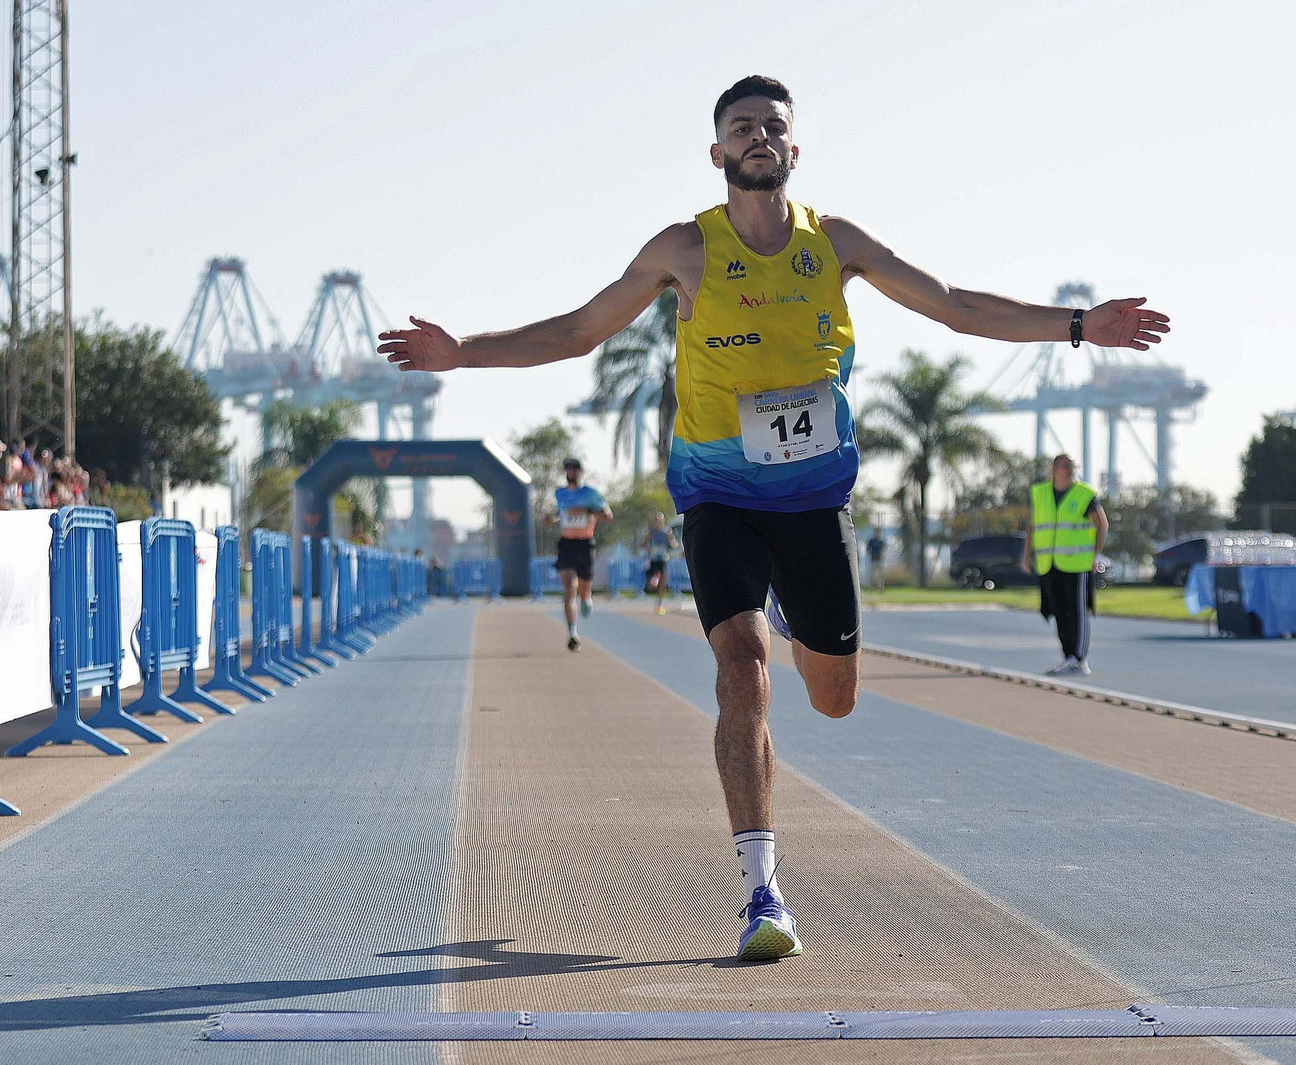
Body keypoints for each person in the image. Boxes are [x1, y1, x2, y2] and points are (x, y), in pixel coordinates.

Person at [377, 74, 1169, 960]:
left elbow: (953, 304)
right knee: (742, 669)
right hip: (717, 495)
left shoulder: (836, 244)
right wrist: (464, 354)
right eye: (740, 127)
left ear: (794, 150)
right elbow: (577, 332)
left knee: (832, 698)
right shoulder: (684, 250)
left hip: (814, 498)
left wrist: (1076, 325)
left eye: (772, 127)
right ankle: (762, 891)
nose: (758, 136)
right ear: (716, 154)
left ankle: (797, 612)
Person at [1020, 454, 1108, 675]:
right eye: (1064, 467)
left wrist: (1095, 555)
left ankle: (1079, 658)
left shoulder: (1084, 494)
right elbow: (1032, 526)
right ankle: (1068, 656)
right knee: (1058, 611)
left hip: (1077, 564)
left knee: (1076, 611)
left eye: (1071, 467)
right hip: (1049, 563)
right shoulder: (1040, 494)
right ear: (1054, 469)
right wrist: (1026, 555)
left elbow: (1102, 524)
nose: (1069, 471)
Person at [544, 457, 612, 651]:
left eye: (574, 469)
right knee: (569, 588)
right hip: (566, 544)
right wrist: (553, 519)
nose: (571, 472)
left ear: (580, 472)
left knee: (583, 590)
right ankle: (573, 633)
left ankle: (586, 597)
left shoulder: (591, 493)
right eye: (568, 468)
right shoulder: (560, 493)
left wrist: (586, 510)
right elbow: (561, 513)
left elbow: (608, 515)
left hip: (585, 544)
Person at [640, 510, 680, 615]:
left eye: (660, 520)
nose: (658, 522)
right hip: (653, 560)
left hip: (663, 559)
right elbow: (643, 544)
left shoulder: (667, 531)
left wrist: (670, 539)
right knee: (651, 585)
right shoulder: (651, 533)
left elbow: (674, 545)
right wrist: (647, 546)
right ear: (654, 521)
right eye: (657, 520)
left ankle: (659, 604)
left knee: (663, 582)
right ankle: (652, 585)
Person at [866, 527, 888, 591]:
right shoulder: (872, 541)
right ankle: (871, 587)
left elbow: (884, 549)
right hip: (873, 560)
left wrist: (882, 554)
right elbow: (868, 549)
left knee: (880, 575)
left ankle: (881, 588)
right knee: (872, 575)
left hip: (880, 560)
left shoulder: (881, 541)